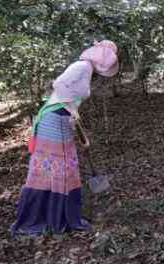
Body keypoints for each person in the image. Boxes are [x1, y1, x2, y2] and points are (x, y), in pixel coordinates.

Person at [11, 40, 119, 236]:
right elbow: (59, 84)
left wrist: (73, 113)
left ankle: (62, 215)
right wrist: (70, 107)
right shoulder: (81, 66)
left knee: (65, 167)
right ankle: (47, 218)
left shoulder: (86, 68)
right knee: (54, 168)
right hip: (53, 119)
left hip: (62, 120)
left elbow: (69, 95)